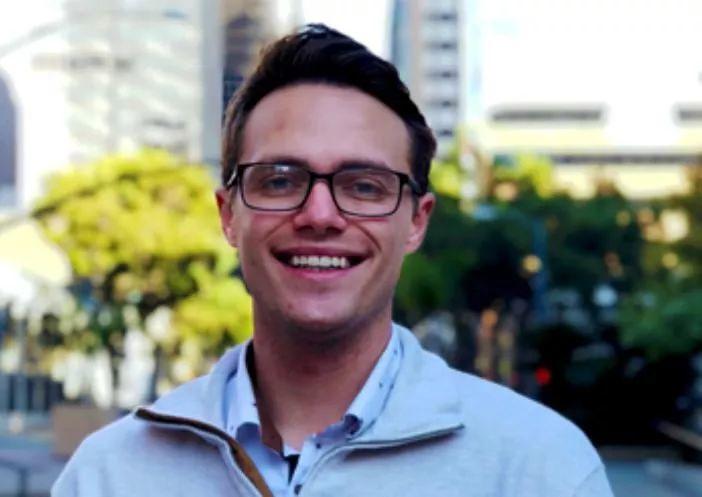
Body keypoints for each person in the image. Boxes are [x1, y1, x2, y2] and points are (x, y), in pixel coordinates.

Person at [52, 24, 613, 497]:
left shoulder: (539, 469)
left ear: (417, 220)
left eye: (364, 185)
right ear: (228, 215)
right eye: (279, 180)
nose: (319, 214)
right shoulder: (108, 475)